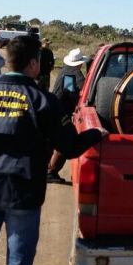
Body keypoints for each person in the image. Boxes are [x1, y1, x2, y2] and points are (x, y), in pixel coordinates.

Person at [0, 35, 104, 265]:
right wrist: (96, 133)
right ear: (33, 64)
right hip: (23, 195)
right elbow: (69, 146)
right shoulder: (45, 102)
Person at [46, 48, 89, 183]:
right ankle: (51, 172)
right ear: (80, 63)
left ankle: (49, 169)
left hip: (55, 108)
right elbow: (71, 93)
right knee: (65, 141)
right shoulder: (74, 74)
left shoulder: (65, 70)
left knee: (56, 141)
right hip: (61, 110)